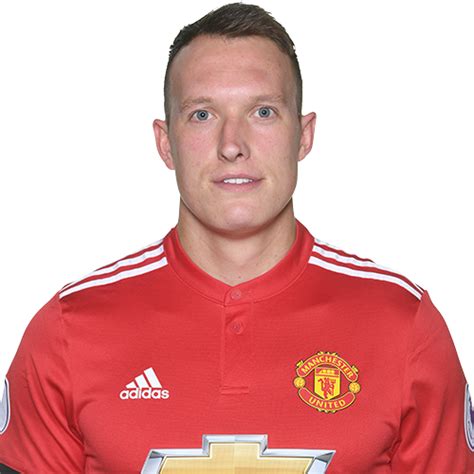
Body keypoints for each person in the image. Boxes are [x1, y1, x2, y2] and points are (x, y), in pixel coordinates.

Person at [0, 2, 473, 473]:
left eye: (263, 112)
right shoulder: (68, 330)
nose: (232, 145)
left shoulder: (403, 324)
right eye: (202, 115)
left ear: (303, 135)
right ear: (165, 143)